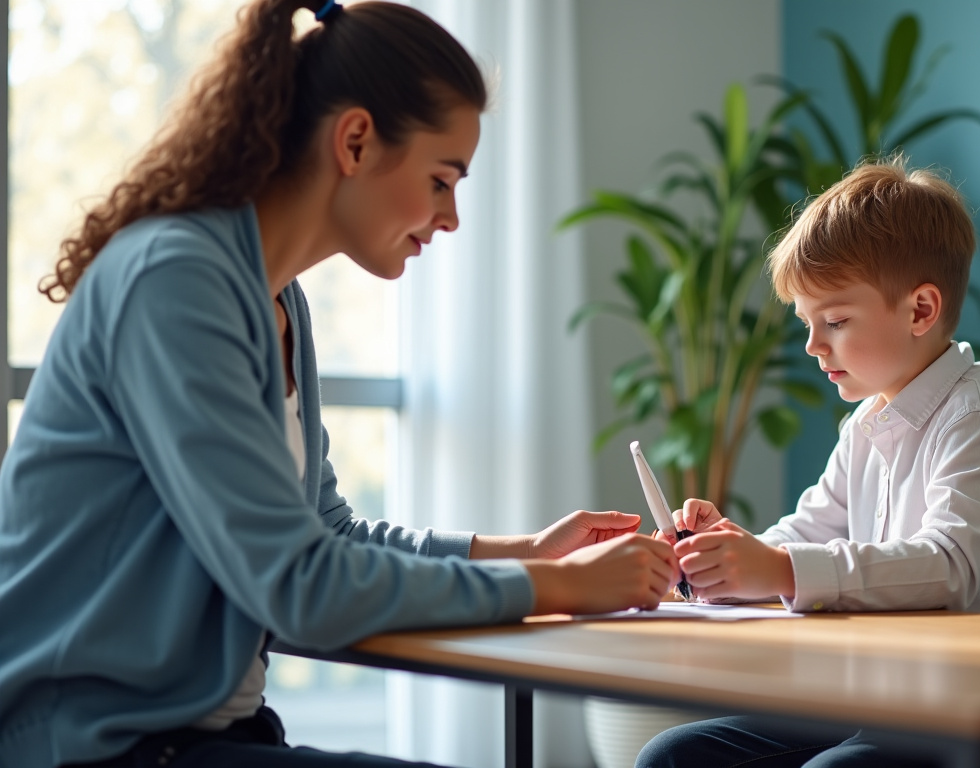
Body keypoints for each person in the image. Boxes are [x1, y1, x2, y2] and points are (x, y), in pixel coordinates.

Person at [0, 2, 679, 767]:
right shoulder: (176, 283)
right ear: (355, 141)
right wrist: (553, 587)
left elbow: (324, 535)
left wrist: (523, 554)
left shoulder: (278, 300)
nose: (451, 217)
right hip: (94, 746)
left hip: (205, 734)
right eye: (441, 178)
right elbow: (302, 588)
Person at [637, 157, 980, 768]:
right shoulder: (866, 425)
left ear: (920, 310)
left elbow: (945, 569)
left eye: (834, 321)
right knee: (676, 756)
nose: (812, 344)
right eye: (808, 323)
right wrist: (730, 553)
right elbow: (806, 535)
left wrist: (778, 569)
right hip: (892, 705)